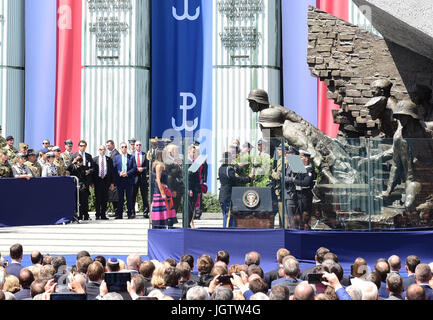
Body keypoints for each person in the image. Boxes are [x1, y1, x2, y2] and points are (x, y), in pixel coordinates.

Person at [218, 152, 252, 228]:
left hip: (223, 196)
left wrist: (235, 167)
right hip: (228, 196)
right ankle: (228, 233)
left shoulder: (221, 168)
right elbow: (236, 179)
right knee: (229, 217)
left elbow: (230, 175)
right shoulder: (229, 169)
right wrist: (249, 178)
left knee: (226, 215)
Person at [286, 150, 316, 230]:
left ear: (306, 159)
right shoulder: (299, 169)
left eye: (301, 157)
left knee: (305, 217)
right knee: (298, 218)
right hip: (298, 195)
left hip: (305, 196)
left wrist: (293, 180)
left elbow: (306, 183)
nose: (299, 159)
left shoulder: (309, 170)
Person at [151, 149, 177, 228]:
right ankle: (159, 225)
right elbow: (158, 180)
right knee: (161, 210)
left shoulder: (163, 164)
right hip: (160, 191)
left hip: (165, 189)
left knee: (165, 210)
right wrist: (162, 192)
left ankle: (165, 225)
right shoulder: (159, 165)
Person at [113, 142, 137, 219]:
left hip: (128, 180)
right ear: (120, 148)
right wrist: (120, 173)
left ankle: (130, 213)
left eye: (125, 147)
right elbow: (114, 168)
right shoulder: (116, 157)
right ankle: (119, 214)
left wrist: (127, 173)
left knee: (129, 198)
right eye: (122, 147)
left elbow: (134, 168)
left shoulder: (132, 157)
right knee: (120, 198)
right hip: (120, 180)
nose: (124, 148)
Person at [92, 145, 115, 220]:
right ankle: (97, 214)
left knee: (105, 198)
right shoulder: (94, 159)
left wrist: (112, 183)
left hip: (106, 180)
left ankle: (103, 214)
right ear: (98, 150)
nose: (103, 151)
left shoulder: (109, 159)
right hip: (98, 180)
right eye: (101, 149)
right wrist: (92, 182)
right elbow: (93, 172)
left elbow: (111, 172)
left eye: (104, 149)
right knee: (98, 198)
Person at [68, 154, 91, 221]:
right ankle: (78, 215)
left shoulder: (84, 167)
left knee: (84, 201)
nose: (79, 161)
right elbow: (68, 169)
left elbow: (87, 176)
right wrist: (73, 162)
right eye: (78, 160)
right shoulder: (73, 166)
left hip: (83, 186)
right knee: (77, 201)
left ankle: (85, 215)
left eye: (80, 160)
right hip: (75, 186)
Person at [132, 141, 150, 219]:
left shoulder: (145, 155)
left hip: (143, 178)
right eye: (137, 145)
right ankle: (132, 211)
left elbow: (148, 167)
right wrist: (136, 169)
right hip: (134, 178)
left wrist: (143, 169)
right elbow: (130, 166)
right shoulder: (131, 155)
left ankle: (146, 212)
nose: (138, 146)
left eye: (140, 145)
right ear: (134, 146)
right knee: (133, 196)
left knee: (144, 196)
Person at [165, 143, 184, 214]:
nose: (178, 153)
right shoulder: (168, 162)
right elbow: (169, 177)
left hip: (179, 188)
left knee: (175, 208)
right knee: (171, 209)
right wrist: (172, 190)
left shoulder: (178, 160)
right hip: (173, 189)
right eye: (176, 151)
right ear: (170, 152)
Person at [186, 144, 202, 229]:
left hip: (195, 188)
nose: (194, 154)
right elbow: (187, 177)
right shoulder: (187, 162)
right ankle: (187, 224)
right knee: (189, 208)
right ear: (189, 152)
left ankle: (188, 223)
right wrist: (189, 189)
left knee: (192, 208)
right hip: (191, 189)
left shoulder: (193, 162)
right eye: (193, 152)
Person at [106, 140, 120, 216]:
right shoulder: (112, 153)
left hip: (114, 178)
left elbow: (114, 167)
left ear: (113, 145)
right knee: (113, 195)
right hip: (112, 178)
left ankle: (116, 211)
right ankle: (115, 211)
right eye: (107, 145)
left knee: (115, 196)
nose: (107, 147)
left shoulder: (115, 154)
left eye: (109, 145)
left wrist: (113, 181)